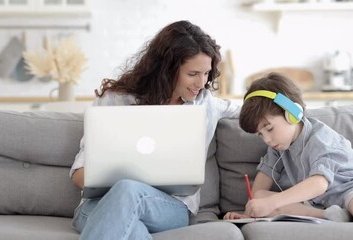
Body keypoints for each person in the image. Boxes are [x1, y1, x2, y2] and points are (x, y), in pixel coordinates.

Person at [70, 20, 240, 240]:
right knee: (132, 222)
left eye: (206, 73)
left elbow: (250, 110)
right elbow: (79, 174)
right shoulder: (117, 100)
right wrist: (117, 180)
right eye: (192, 74)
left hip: (169, 209)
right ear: (166, 70)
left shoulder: (206, 104)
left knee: (130, 192)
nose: (201, 82)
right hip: (97, 206)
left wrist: (291, 109)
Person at [224, 73, 353, 227]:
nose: (267, 139)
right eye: (260, 134)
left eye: (269, 129)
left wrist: (273, 203)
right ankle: (330, 216)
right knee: (261, 197)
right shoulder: (278, 147)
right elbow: (259, 189)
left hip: (352, 190)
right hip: (320, 204)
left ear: (292, 114)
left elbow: (319, 184)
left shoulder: (320, 138)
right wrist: (250, 211)